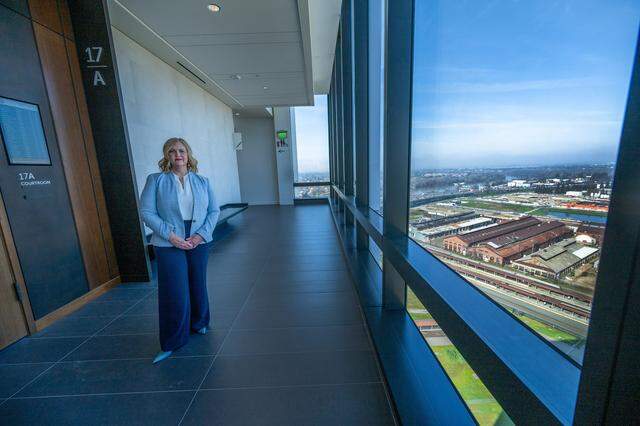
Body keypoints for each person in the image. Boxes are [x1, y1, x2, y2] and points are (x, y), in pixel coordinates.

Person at [139, 137, 220, 364]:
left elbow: (214, 211)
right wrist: (171, 236)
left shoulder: (203, 181)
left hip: (198, 239)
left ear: (188, 154)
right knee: (174, 290)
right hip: (168, 240)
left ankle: (200, 322)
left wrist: (199, 235)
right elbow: (146, 212)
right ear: (166, 155)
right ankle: (172, 341)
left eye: (182, 150)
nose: (178, 155)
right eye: (172, 151)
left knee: (197, 283)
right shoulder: (156, 180)